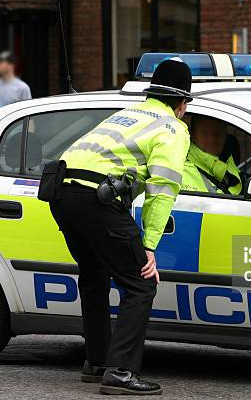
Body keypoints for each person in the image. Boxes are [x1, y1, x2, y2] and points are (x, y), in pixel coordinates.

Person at [49, 59, 192, 395]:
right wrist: (150, 246)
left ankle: (96, 362)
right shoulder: (172, 128)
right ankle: (121, 372)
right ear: (183, 103)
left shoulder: (130, 114)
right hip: (97, 200)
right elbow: (163, 187)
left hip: (61, 194)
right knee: (141, 283)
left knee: (95, 275)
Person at [181, 116, 242, 194]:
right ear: (193, 135)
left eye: (218, 132)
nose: (212, 139)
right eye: (205, 132)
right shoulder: (181, 172)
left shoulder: (234, 174)